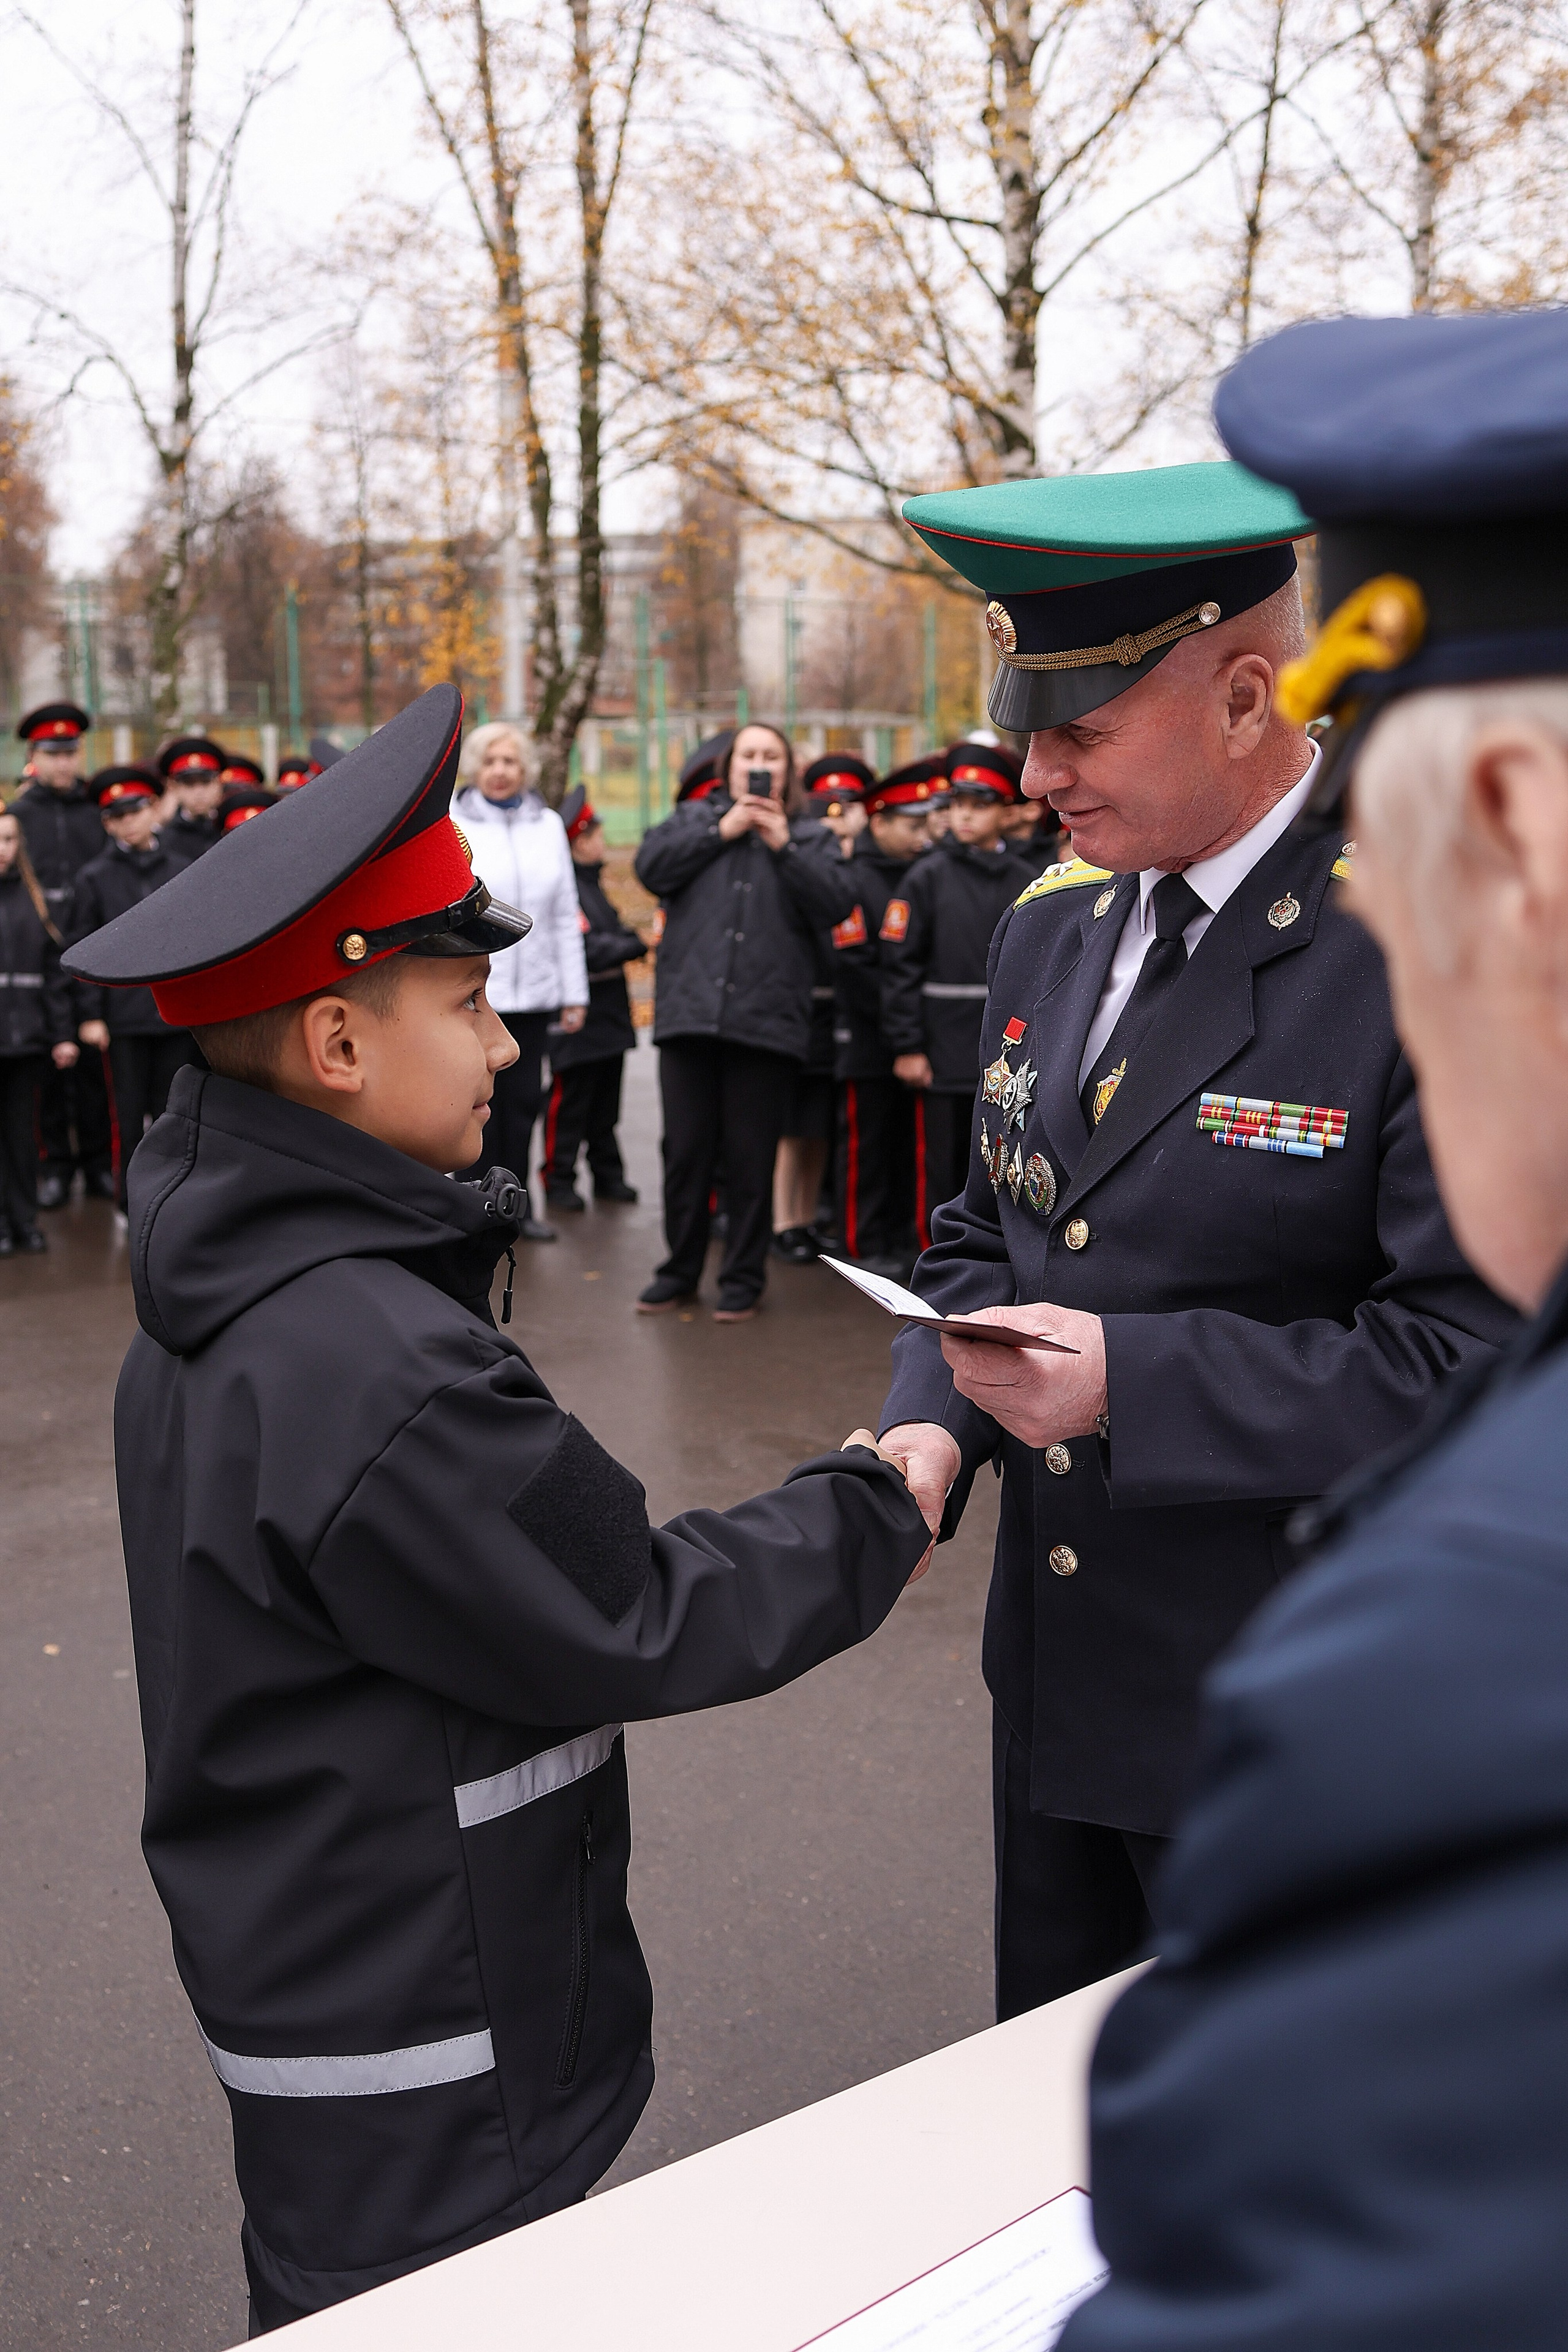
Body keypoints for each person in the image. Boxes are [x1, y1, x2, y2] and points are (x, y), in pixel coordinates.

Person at [62, 684, 933, 2333]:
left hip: (324, 2002)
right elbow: (644, 1610)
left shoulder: (237, 1292)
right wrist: (887, 1491)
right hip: (432, 2047)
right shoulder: (375, 1359)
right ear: (336, 1044)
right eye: (463, 1002)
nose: (507, 1039)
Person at [1053, 304, 1568, 2352]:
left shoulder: (1465, 1654)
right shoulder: (1047, 944)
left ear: (1517, 824)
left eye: (1401, 878)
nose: (1373, 933)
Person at [873, 456, 1517, 2018]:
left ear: (1245, 700)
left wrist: (1127, 1384)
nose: (1031, 775)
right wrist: (925, 1423)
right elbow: (988, 1229)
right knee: (1056, 2156)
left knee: (1288, 2179)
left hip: (1293, 1725)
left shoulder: (1426, 946)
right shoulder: (1050, 922)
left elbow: (1476, 1365)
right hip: (1058, 1684)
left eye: (1079, 730)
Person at [633, 723, 847, 1321]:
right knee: (685, 1154)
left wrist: (785, 847)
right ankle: (677, 1271)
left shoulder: (808, 834)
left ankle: (742, 1280)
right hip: (689, 1015)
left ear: (788, 770)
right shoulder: (693, 820)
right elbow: (651, 867)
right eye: (748, 755)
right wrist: (718, 831)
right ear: (728, 767)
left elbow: (836, 902)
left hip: (767, 1020)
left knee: (750, 1158)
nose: (759, 765)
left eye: (771, 756)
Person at [880, 741, 1035, 1245]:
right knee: (939, 1162)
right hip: (941, 1047)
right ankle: (934, 1258)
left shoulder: (1026, 880)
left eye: (980, 804)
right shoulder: (925, 877)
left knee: (1001, 1160)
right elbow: (898, 966)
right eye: (957, 805)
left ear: (1006, 812)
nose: (964, 816)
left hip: (1008, 1058)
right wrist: (907, 1045)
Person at [452, 722, 588, 1240]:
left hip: (533, 995)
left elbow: (562, 914)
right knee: (471, 1101)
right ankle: (468, 1205)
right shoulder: (454, 823)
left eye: (510, 762)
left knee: (524, 1102)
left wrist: (574, 993)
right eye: (490, 761)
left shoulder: (547, 824)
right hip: (473, 994)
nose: (500, 771)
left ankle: (517, 1208)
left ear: (525, 769)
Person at [819, 756, 942, 1277]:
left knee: (901, 1146)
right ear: (879, 821)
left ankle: (894, 1236)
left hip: (909, 1034)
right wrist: (897, 1022)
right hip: (866, 1036)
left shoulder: (920, 875)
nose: (923, 836)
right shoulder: (852, 880)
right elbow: (855, 966)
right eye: (912, 825)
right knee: (863, 1144)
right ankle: (857, 1240)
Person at [70, 768, 200, 1210]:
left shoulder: (181, 868)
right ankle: (131, 1200)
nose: (130, 822)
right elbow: (84, 949)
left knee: (176, 1114)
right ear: (108, 824)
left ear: (153, 810)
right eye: (118, 816)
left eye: (137, 811)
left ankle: (175, 1197)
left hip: (173, 1014)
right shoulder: (95, 877)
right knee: (125, 1117)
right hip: (123, 1018)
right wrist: (91, 1014)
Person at [10, 701, 115, 1206]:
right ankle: (57, 1163)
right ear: (35, 755)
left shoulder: (96, 808)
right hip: (38, 949)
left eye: (70, 753)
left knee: (96, 1063)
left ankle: (98, 1162)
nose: (63, 764)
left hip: (93, 941)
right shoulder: (20, 814)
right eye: (53, 754)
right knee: (51, 1064)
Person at [772, 753, 876, 1264]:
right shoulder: (805, 858)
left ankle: (807, 1217)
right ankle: (783, 1220)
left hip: (839, 1005)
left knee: (815, 1125)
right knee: (789, 1126)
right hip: (802, 1002)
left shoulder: (857, 863)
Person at [542, 786, 643, 1212]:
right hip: (579, 1022)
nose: (604, 842)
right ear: (580, 840)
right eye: (598, 834)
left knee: (605, 1109)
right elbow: (591, 948)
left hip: (609, 1019)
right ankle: (558, 1179)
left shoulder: (592, 884)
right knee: (571, 1106)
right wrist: (632, 944)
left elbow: (609, 937)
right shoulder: (568, 889)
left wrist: (624, 942)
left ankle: (608, 1176)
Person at [0, 805, 77, 1254]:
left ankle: (25, 1220)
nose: (3, 850)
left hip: (26, 1040)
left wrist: (61, 1033)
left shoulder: (35, 901)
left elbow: (53, 977)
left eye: (10, 840)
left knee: (22, 1136)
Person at [155, 734, 228, 865]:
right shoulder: (165, 839)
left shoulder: (229, 830)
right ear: (174, 788)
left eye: (206, 783)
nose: (198, 793)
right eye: (189, 785)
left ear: (218, 784)